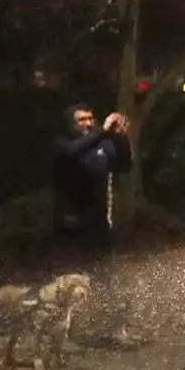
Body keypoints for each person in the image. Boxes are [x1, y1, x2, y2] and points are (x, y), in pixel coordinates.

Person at [51, 104, 134, 345]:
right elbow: (75, 152)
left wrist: (121, 138)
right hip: (70, 223)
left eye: (90, 118)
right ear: (70, 124)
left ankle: (113, 330)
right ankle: (60, 333)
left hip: (98, 223)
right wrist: (104, 131)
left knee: (106, 276)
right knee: (68, 280)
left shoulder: (100, 144)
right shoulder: (63, 145)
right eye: (81, 120)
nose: (88, 123)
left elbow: (124, 165)